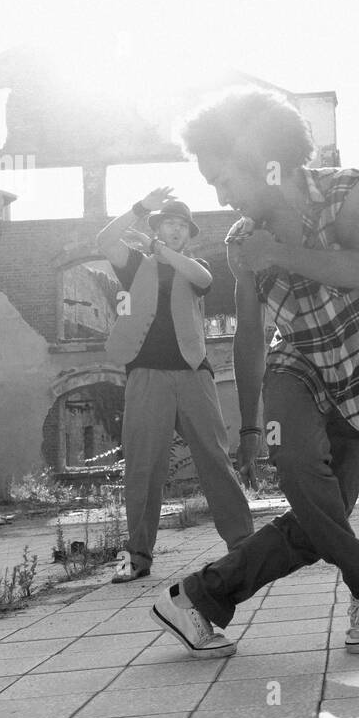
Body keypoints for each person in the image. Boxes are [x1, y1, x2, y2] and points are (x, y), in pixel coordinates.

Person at [150, 88, 359, 658]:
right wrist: (253, 427)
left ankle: (196, 599)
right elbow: (253, 332)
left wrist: (278, 255)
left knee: (315, 525)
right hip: (297, 369)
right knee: (299, 469)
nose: (220, 195)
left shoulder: (347, 192)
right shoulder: (239, 242)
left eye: (223, 179)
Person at [95, 190, 254, 583]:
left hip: (193, 373)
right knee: (142, 466)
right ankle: (135, 556)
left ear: (188, 235)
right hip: (145, 374)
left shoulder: (192, 266)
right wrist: (140, 206)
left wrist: (162, 249)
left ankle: (245, 545)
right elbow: (103, 241)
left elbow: (204, 278)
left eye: (182, 226)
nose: (176, 229)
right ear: (157, 226)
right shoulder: (135, 265)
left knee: (215, 459)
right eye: (169, 223)